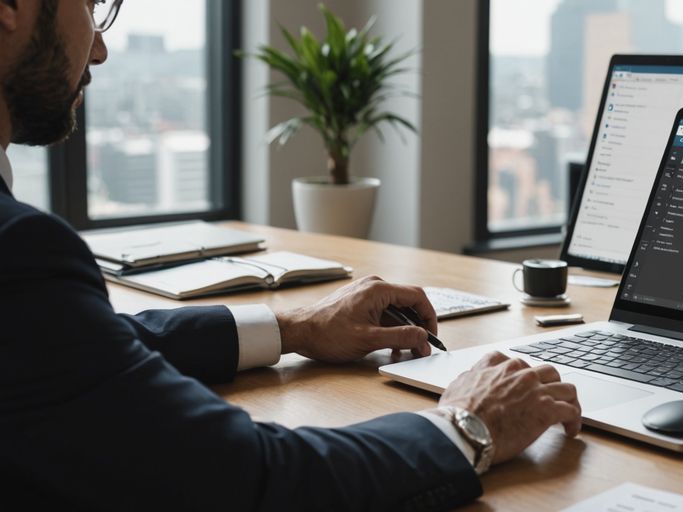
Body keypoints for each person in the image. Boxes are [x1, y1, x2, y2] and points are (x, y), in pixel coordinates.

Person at [0, 1, 582, 510]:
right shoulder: (20, 249)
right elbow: (250, 480)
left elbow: (75, 349)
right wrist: (467, 425)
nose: (99, 48)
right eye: (91, 4)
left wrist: (293, 328)